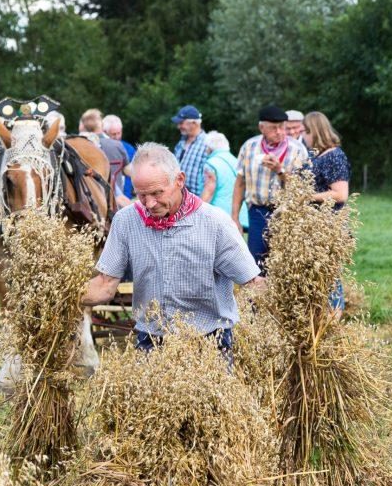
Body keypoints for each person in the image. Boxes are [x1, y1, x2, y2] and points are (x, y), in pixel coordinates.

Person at [81, 142, 263, 360]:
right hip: (151, 340)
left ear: (180, 180)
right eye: (141, 195)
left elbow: (252, 284)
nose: (149, 203)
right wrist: (58, 294)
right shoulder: (126, 221)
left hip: (209, 341)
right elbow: (104, 285)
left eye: (157, 193)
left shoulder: (215, 223)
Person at [233, 104, 309, 269]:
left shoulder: (297, 150)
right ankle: (257, 295)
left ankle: (279, 295)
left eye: (282, 127)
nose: (280, 132)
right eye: (274, 128)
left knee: (284, 264)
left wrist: (280, 170)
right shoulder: (249, 147)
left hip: (287, 214)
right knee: (255, 265)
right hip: (257, 212)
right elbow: (240, 183)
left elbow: (302, 189)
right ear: (261, 127)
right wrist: (235, 217)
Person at [302, 111, 351, 312]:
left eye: (306, 131)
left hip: (329, 226)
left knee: (330, 277)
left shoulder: (334, 156)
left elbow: (340, 194)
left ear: (316, 131)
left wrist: (307, 197)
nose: (303, 136)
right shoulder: (317, 156)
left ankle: (333, 321)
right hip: (316, 226)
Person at [79, 108, 130, 197]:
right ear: (101, 125)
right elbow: (128, 171)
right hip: (112, 196)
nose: (117, 136)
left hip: (85, 196)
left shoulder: (75, 145)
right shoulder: (117, 145)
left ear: (83, 125)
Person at [201, 131, 247, 229]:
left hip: (219, 216)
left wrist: (197, 213)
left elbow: (209, 191)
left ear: (209, 148)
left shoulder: (211, 164)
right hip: (239, 214)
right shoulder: (235, 160)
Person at [172, 105, 208, 196]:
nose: (178, 126)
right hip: (179, 196)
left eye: (181, 123)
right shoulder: (181, 142)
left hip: (197, 199)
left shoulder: (207, 144)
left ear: (194, 123)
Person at [104, 114, 135, 198]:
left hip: (126, 196)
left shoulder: (129, 149)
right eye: (113, 134)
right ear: (105, 133)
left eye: (119, 133)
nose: (117, 137)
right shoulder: (100, 149)